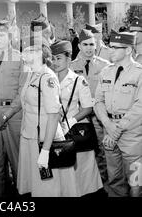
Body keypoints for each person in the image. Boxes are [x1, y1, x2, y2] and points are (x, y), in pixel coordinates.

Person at [17, 43, 78, 197]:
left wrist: (45, 151)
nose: (23, 56)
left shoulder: (48, 77)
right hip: (31, 137)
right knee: (38, 187)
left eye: (28, 52)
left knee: (49, 188)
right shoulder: (32, 73)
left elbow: (53, 116)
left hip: (45, 140)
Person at [51, 40, 103, 196]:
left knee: (80, 172)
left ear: (68, 59)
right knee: (59, 168)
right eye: (53, 58)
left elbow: (88, 107)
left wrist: (71, 121)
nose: (55, 62)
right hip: (53, 129)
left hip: (74, 130)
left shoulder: (78, 80)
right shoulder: (48, 78)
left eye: (59, 58)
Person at [94, 30, 142, 197]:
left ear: (128, 50)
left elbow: (140, 107)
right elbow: (97, 102)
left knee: (136, 182)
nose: (110, 50)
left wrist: (117, 129)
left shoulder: (139, 73)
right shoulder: (105, 72)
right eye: (110, 47)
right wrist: (108, 124)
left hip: (132, 135)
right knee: (114, 179)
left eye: (115, 48)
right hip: (109, 130)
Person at [0, 18, 23, 197]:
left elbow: (23, 93)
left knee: (18, 165)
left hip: (14, 116)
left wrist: (6, 115)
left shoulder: (20, 58)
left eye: (3, 35)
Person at [70, 29, 111, 190]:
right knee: (83, 152)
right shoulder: (71, 66)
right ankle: (85, 187)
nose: (89, 48)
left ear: (96, 45)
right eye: (85, 44)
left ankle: (105, 186)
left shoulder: (105, 65)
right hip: (81, 117)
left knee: (103, 151)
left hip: (100, 116)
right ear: (79, 46)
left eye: (92, 44)